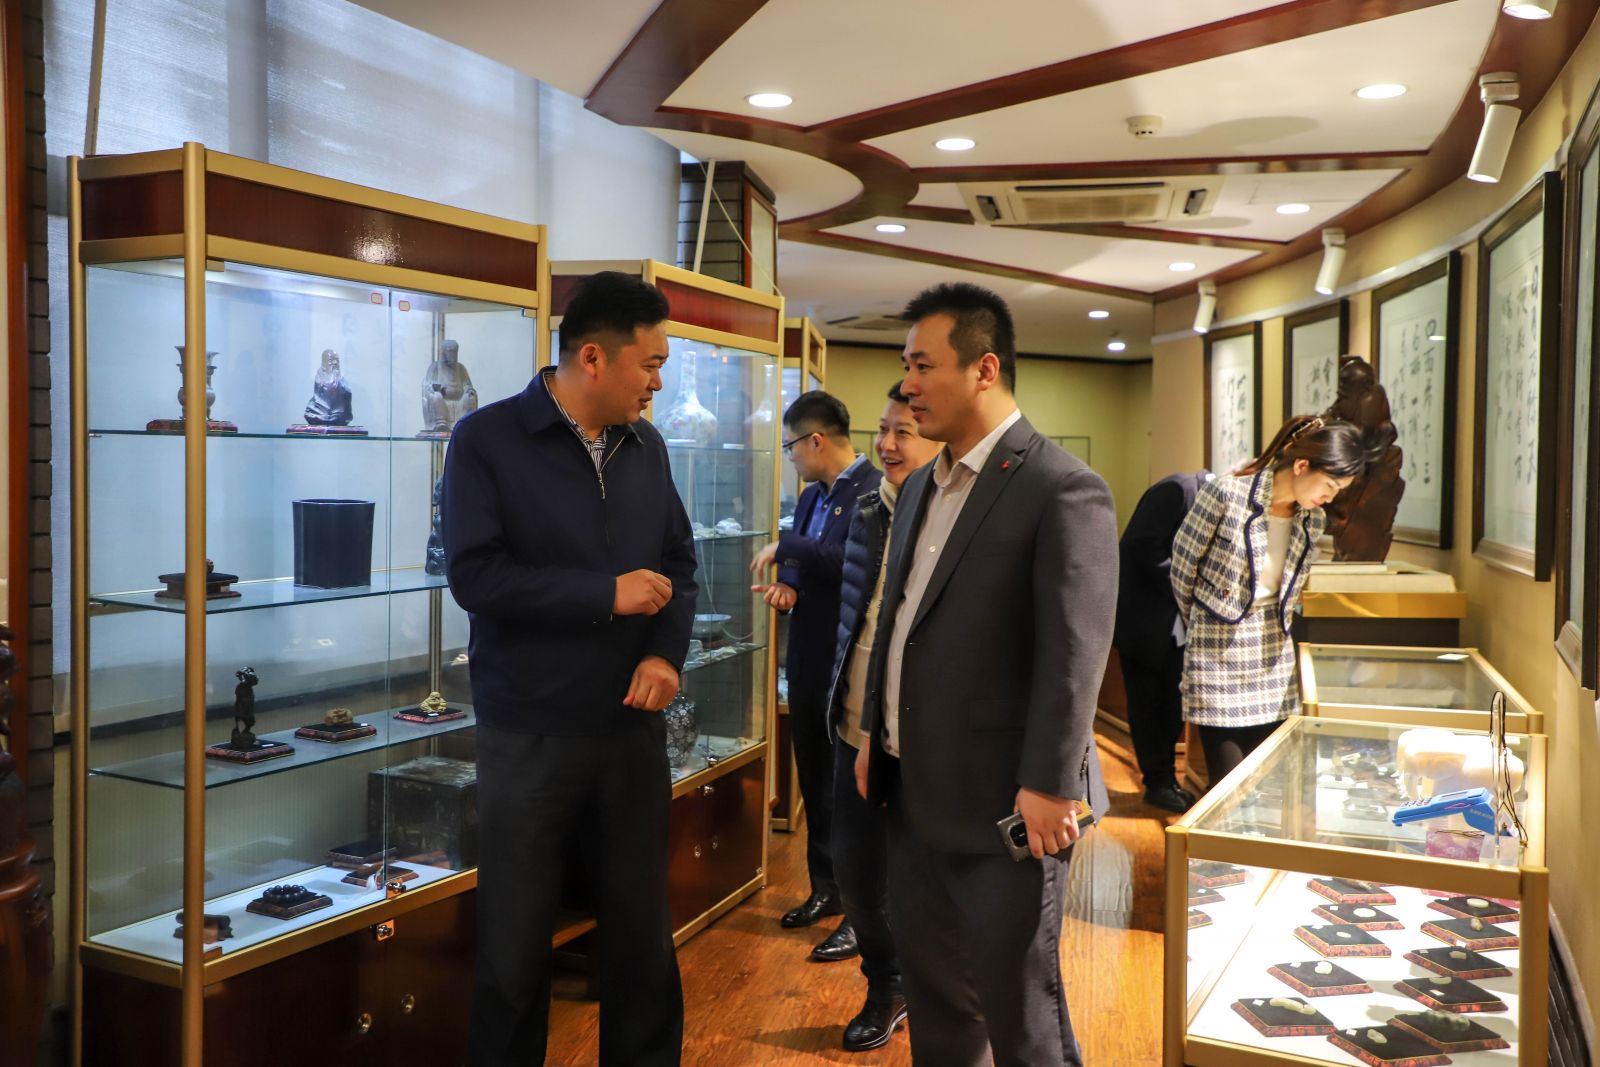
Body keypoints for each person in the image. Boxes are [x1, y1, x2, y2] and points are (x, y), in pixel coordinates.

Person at [856, 282, 1118, 1067]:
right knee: (938, 1003)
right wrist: (874, 732)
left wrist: (1050, 783)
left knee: (1022, 1011)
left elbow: (1075, 651)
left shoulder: (1061, 486)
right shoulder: (918, 487)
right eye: (906, 365)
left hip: (1010, 808)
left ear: (984, 368)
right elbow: (898, 622)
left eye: (922, 365)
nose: (908, 384)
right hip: (913, 794)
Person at [442, 271, 698, 1067]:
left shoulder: (647, 446)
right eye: (650, 364)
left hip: (630, 732)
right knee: (516, 947)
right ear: (593, 357)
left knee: (642, 941)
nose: (659, 383)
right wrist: (604, 594)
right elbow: (475, 577)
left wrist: (665, 652)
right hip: (529, 733)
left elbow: (680, 567)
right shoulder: (485, 440)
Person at [824, 380, 943, 1052]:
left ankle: (933, 995)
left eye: (905, 432)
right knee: (858, 878)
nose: (888, 445)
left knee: (927, 883)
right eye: (883, 429)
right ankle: (887, 982)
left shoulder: (955, 519)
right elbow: (858, 616)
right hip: (853, 729)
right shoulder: (870, 509)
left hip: (922, 739)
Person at [751, 392, 881, 956]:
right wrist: (789, 584)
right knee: (814, 782)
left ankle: (860, 911)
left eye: (791, 447)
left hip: (847, 663)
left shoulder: (874, 492)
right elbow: (805, 564)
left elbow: (855, 562)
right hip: (806, 656)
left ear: (816, 440)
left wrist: (790, 545)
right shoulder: (811, 497)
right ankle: (825, 889)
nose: (791, 458)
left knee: (847, 791)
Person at [1170, 414, 1367, 786]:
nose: (1329, 497)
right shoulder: (1227, 494)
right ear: (1302, 465)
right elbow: (1183, 570)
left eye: (1338, 490)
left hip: (1274, 655)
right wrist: (1210, 619)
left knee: (1269, 782)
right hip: (1217, 653)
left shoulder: (1312, 520)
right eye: (1329, 485)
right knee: (1227, 783)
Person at [1113, 471, 1212, 813]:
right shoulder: (1178, 490)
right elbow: (1139, 545)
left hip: (1173, 625)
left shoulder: (1201, 495)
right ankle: (1158, 783)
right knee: (1148, 705)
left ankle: (1166, 780)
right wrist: (1189, 584)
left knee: (1170, 704)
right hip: (1146, 622)